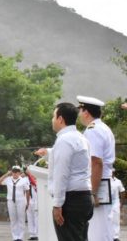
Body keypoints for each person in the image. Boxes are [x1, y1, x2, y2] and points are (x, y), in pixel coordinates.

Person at [35, 102, 93, 241]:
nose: (52, 120)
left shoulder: (64, 140)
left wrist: (57, 205)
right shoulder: (80, 137)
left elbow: (62, 174)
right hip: (83, 197)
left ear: (60, 119)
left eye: (53, 116)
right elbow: (76, 162)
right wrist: (49, 152)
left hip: (70, 200)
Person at [79, 95, 116, 241]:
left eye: (80, 111)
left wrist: (93, 193)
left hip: (99, 184)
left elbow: (96, 162)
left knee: (97, 232)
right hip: (104, 181)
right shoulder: (102, 127)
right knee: (104, 230)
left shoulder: (93, 130)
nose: (79, 115)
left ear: (86, 112)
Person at [0, 166, 30, 241]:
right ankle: (15, 237)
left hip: (21, 201)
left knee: (21, 219)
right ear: (11, 172)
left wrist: (27, 202)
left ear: (19, 172)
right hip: (11, 201)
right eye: (14, 171)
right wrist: (6, 174)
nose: (15, 173)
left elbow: (27, 191)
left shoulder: (23, 180)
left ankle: (20, 237)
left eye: (17, 171)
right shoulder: (8, 179)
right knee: (13, 219)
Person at [111, 171, 125, 241]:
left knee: (115, 220)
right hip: (106, 203)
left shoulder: (118, 181)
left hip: (115, 203)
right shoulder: (104, 180)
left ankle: (115, 237)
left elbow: (122, 191)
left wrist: (121, 203)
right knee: (108, 219)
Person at [25, 172, 39, 240]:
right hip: (28, 200)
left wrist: (29, 175)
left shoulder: (37, 180)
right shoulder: (26, 180)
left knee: (36, 218)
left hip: (36, 201)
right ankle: (32, 234)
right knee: (29, 217)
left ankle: (37, 234)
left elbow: (34, 183)